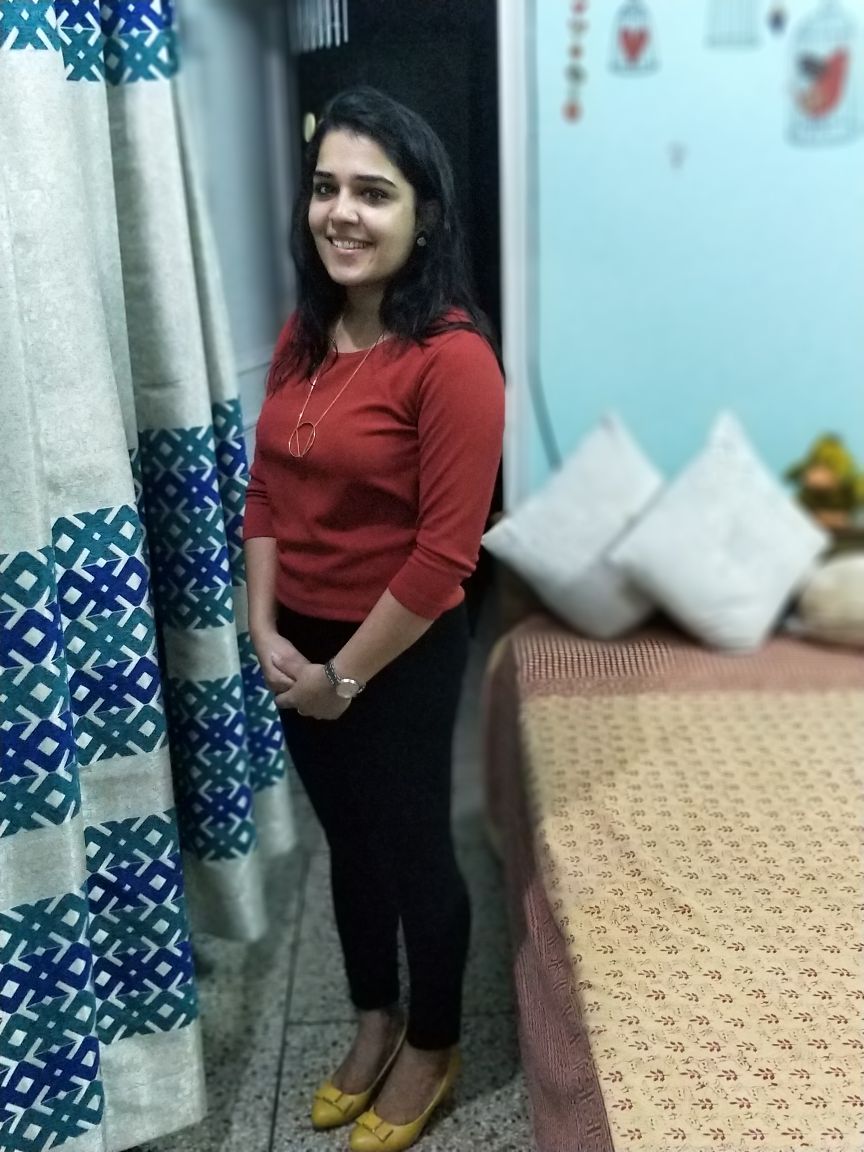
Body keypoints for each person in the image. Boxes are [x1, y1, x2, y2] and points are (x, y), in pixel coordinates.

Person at [243, 87, 504, 1152]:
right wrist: (264, 630)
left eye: (373, 192)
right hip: (296, 645)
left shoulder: (453, 359)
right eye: (326, 188)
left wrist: (339, 678)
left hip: (396, 650)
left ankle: (434, 1045)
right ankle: (373, 1018)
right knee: (348, 846)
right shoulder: (306, 333)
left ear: (423, 214)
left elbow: (445, 560)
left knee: (412, 849)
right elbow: (266, 490)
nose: (342, 213)